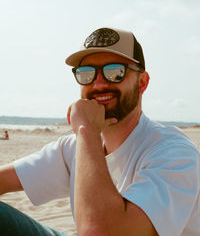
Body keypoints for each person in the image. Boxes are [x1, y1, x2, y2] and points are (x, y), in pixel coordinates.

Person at [0, 27, 199, 236]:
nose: (99, 84)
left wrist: (86, 130)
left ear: (142, 83)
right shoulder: (74, 147)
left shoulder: (174, 153)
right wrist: (87, 136)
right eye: (86, 74)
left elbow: (101, 232)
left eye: (115, 72)